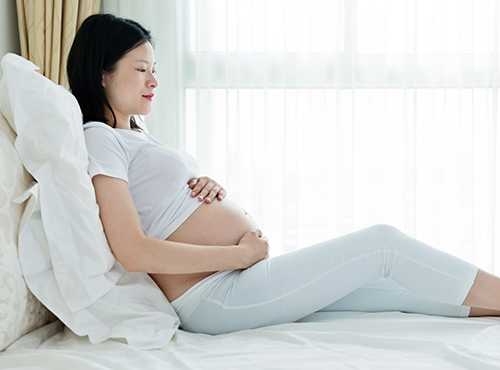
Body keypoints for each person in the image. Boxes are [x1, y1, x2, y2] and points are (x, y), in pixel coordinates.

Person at [67, 14, 500, 335]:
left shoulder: (136, 137)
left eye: (155, 70)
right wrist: (235, 256)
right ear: (102, 74)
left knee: (392, 287)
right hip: (213, 295)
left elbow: (163, 208)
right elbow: (132, 250)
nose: (153, 81)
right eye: (141, 69)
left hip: (235, 281)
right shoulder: (100, 138)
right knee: (382, 245)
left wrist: (205, 189)